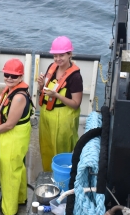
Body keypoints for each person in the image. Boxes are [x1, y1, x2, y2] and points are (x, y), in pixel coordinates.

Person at [0, 59, 33, 215]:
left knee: (9, 172)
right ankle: (21, 198)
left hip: (13, 136)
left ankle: (9, 211)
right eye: (7, 75)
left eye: (14, 76)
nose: (9, 78)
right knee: (18, 167)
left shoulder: (18, 97)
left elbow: (10, 124)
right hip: (16, 135)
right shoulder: (12, 90)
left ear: (21, 77)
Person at [36, 36, 83, 172]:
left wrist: (56, 95)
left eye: (61, 55)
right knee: (46, 147)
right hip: (46, 115)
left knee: (61, 150)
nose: (58, 59)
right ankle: (48, 173)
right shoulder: (52, 67)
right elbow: (43, 91)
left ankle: (61, 176)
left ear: (69, 54)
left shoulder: (75, 77)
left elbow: (76, 103)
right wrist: (40, 85)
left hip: (63, 119)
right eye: (55, 56)